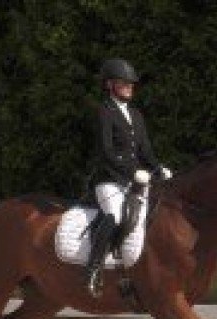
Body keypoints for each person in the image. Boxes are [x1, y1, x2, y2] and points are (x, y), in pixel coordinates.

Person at [86, 58, 171, 297]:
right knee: (113, 216)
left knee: (153, 217)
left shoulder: (136, 115)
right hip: (109, 180)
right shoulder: (104, 111)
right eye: (124, 83)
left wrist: (159, 169)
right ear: (110, 85)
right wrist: (131, 172)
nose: (130, 86)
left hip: (136, 181)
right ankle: (94, 268)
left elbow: (145, 151)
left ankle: (135, 273)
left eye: (131, 83)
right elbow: (106, 152)